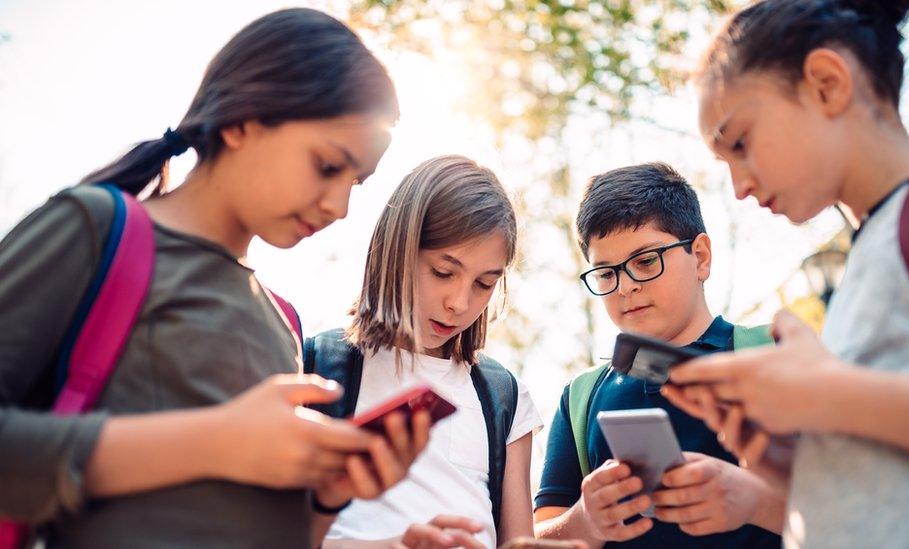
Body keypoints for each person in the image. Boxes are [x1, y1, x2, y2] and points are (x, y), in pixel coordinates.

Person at [0, 9, 427, 548]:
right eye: (326, 166)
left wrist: (328, 493)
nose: (340, 205)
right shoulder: (95, 227)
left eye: (357, 182)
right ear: (243, 121)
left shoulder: (283, 323)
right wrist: (216, 441)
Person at [665, 1, 909, 547]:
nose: (737, 186)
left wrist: (827, 396)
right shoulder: (862, 265)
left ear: (827, 84)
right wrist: (796, 463)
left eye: (739, 142)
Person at [533, 163, 783, 548]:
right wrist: (586, 520)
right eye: (606, 273)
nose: (626, 287)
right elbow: (535, 538)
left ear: (700, 256)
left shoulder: (775, 355)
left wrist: (753, 501)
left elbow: (861, 503)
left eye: (646, 261)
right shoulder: (580, 397)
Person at [309, 155, 543, 548]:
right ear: (398, 249)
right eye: (443, 272)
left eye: (484, 283)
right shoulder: (314, 367)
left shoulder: (504, 397)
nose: (458, 302)